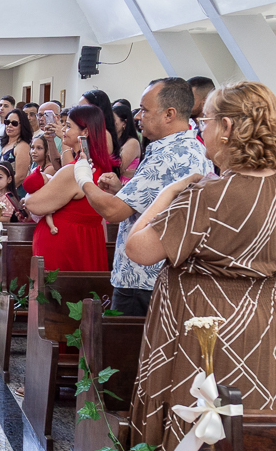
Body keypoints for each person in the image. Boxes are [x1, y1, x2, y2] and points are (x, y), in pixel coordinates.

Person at [123, 81, 276, 451]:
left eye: (207, 121)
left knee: (197, 425)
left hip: (205, 322)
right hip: (258, 321)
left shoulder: (210, 194)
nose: (202, 130)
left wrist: (168, 193)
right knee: (234, 424)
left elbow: (138, 248)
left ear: (227, 127)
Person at [76, 78, 214, 316]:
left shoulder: (167, 155)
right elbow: (157, 202)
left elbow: (114, 212)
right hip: (167, 275)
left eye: (144, 110)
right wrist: (122, 190)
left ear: (169, 114)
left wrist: (83, 177)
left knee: (129, 340)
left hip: (142, 278)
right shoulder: (194, 147)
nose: (138, 116)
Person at [20, 105, 110, 271]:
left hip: (65, 244)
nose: (63, 130)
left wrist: (28, 197)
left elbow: (34, 205)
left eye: (68, 126)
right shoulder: (98, 166)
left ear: (85, 132)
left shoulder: (75, 170)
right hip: (84, 240)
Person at [111, 103, 142, 180]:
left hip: (123, 184)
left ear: (124, 123)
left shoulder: (132, 143)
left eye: (113, 121)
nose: (109, 124)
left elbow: (118, 169)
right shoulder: (115, 140)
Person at [0, 107, 33, 175]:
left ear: (22, 125)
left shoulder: (23, 147)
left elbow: (20, 176)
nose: (9, 125)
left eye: (14, 123)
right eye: (7, 122)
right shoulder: (5, 143)